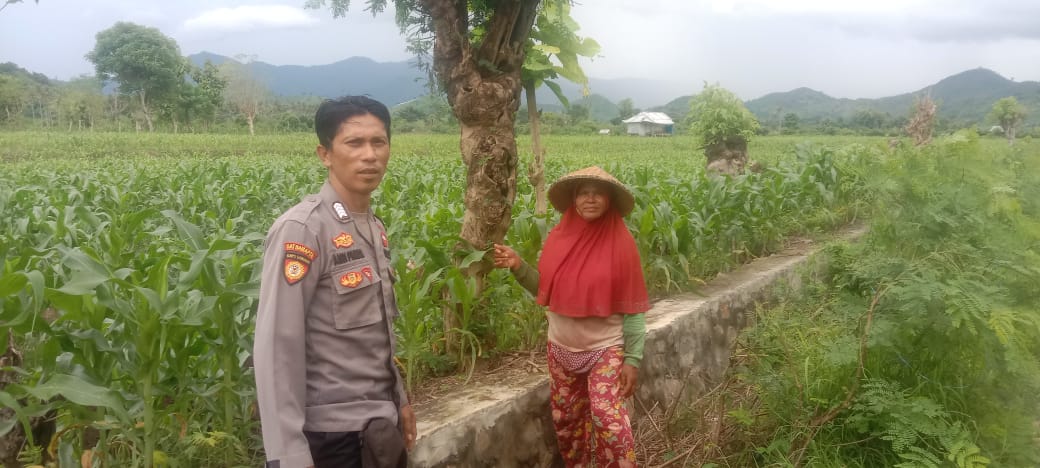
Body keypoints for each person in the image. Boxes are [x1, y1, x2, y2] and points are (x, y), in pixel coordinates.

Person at [253, 96, 416, 468]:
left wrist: (400, 401)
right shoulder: (303, 229)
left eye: (378, 142)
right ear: (325, 154)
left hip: (379, 429)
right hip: (331, 438)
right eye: (354, 143)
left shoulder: (373, 228)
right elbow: (277, 348)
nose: (370, 155)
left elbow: (379, 336)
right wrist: (288, 455)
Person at [493, 166, 649, 468]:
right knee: (567, 422)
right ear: (574, 199)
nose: (590, 199)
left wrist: (633, 359)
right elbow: (547, 290)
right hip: (560, 349)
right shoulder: (558, 239)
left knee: (608, 418)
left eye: (597, 193)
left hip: (605, 348)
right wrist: (518, 265)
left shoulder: (622, 244)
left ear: (609, 200)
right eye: (583, 193)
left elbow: (633, 307)